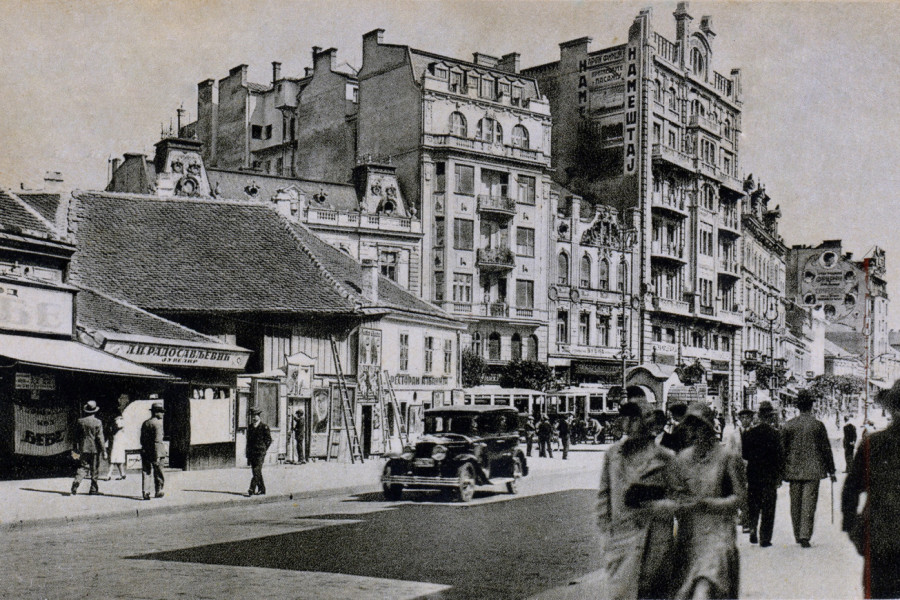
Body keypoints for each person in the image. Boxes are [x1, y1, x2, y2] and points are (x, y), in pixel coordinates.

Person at [597, 402, 686, 599]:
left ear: (647, 422)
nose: (629, 423)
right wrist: (607, 538)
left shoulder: (665, 458)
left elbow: (682, 499)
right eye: (625, 418)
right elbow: (603, 499)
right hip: (622, 543)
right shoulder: (613, 455)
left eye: (635, 418)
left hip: (656, 542)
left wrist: (657, 505)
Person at [673, 403, 746, 599]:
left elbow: (740, 499)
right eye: (690, 427)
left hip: (718, 534)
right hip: (690, 534)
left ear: (709, 427)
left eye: (699, 426)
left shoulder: (727, 458)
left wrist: (710, 504)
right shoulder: (682, 459)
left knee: (705, 587)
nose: (694, 432)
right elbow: (675, 494)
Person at [842, 378, 900, 599]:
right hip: (881, 540)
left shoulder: (874, 444)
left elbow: (851, 489)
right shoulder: (874, 444)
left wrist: (852, 526)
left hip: (880, 540)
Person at [781, 389, 836, 547]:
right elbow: (826, 449)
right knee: (809, 504)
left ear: (798, 406)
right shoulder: (818, 425)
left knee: (795, 503)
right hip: (813, 470)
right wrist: (831, 470)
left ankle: (797, 534)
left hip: (793, 470)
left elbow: (781, 450)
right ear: (811, 406)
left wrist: (780, 471)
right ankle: (805, 535)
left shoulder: (788, 425)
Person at [742, 401, 784, 547]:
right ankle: (765, 538)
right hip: (770, 475)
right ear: (771, 417)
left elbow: (745, 455)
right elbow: (780, 456)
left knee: (753, 503)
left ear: (759, 416)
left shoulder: (749, 433)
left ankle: (753, 527)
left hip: (753, 473)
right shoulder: (776, 434)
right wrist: (780, 475)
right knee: (768, 507)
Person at [71, 400, 106, 496]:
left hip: (83, 448)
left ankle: (76, 481)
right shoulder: (98, 422)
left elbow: (76, 436)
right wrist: (104, 450)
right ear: (95, 411)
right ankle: (93, 489)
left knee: (83, 467)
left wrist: (75, 447)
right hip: (95, 449)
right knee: (94, 469)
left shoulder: (80, 421)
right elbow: (100, 437)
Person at [140, 402, 167, 500]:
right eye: (161, 412)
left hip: (146, 451)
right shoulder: (158, 424)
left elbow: (142, 439)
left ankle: (145, 491)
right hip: (157, 451)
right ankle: (158, 490)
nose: (163, 414)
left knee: (146, 471)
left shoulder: (145, 423)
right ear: (156, 413)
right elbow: (157, 440)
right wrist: (157, 455)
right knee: (159, 472)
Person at [246, 408, 273, 496]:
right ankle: (262, 489)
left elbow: (269, 440)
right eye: (252, 416)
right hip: (252, 453)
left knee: (256, 470)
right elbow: (248, 442)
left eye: (255, 416)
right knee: (256, 472)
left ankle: (251, 488)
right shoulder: (250, 427)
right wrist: (248, 454)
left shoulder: (264, 427)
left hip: (260, 452)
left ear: (259, 416)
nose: (254, 418)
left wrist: (264, 449)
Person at [103, 411, 126, 480]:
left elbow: (116, 429)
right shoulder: (121, 420)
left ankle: (109, 475)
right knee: (118, 459)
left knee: (112, 458)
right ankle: (122, 474)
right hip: (119, 442)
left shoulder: (117, 420)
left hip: (115, 442)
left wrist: (110, 428)